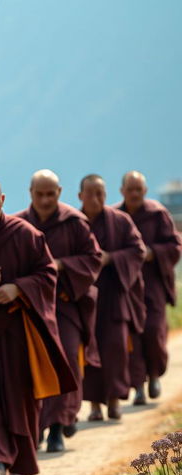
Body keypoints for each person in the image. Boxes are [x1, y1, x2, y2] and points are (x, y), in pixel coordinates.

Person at [0, 176, 76, 475]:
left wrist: (18, 288)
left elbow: (47, 273)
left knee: (18, 397)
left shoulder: (25, 235)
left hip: (18, 330)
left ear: (3, 199)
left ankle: (17, 460)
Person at [16, 170, 102, 452]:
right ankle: (38, 426)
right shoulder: (19, 225)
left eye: (50, 193)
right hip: (31, 309)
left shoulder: (75, 223)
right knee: (32, 367)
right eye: (39, 194)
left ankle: (57, 428)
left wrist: (63, 265)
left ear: (60, 192)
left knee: (65, 362)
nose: (44, 199)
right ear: (30, 193)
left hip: (65, 305)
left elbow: (93, 259)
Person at [79, 174, 146, 421]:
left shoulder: (120, 220)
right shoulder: (75, 223)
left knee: (116, 348)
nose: (96, 199)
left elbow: (137, 250)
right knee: (89, 350)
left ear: (106, 195)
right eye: (91, 193)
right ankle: (95, 404)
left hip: (115, 294)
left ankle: (115, 399)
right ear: (80, 196)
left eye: (100, 194)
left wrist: (111, 259)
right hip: (84, 297)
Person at [114, 171, 182, 404]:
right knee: (131, 338)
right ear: (122, 191)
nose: (134, 194)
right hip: (126, 287)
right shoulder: (115, 217)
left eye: (138, 189)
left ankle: (154, 375)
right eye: (130, 189)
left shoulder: (157, 214)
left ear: (145, 191)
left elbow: (174, 246)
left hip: (152, 285)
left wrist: (153, 253)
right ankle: (139, 386)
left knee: (153, 331)